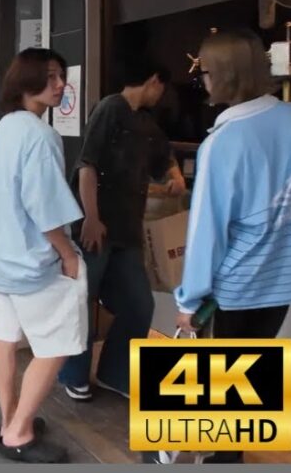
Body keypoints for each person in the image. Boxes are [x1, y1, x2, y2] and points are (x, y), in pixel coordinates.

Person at [172, 29, 291, 464]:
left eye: (204, 73)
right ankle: (225, 453)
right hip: (289, 277)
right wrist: (290, 234)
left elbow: (206, 233)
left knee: (223, 375)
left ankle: (218, 456)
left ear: (225, 75)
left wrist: (188, 299)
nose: (202, 81)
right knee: (251, 369)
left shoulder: (221, 142)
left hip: (237, 284)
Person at [0, 48, 87, 463]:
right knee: (55, 346)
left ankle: (9, 419)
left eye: (61, 76)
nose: (61, 85)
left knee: (6, 339)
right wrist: (68, 254)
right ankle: (19, 433)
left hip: (1, 258)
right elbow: (45, 208)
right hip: (32, 263)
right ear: (27, 81)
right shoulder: (41, 136)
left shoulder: (6, 127)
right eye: (51, 76)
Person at [58, 59, 186, 401]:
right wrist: (91, 218)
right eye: (162, 88)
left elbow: (164, 156)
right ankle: (73, 374)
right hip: (95, 227)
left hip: (128, 231)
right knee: (82, 301)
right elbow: (87, 166)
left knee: (139, 304)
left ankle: (115, 373)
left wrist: (175, 175)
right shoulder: (110, 108)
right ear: (154, 80)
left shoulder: (146, 123)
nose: (161, 96)